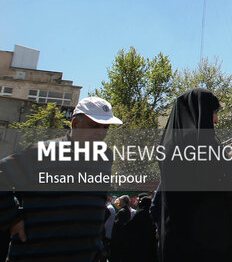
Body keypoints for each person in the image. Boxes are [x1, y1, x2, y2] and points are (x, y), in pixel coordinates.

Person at [0, 96, 122, 262]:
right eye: (93, 125)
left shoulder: (105, 156)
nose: (100, 132)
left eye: (105, 127)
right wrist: (12, 219)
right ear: (75, 123)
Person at [157, 88, 232, 262]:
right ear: (201, 112)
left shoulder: (170, 144)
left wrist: (227, 159)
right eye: (214, 113)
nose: (216, 120)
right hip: (204, 243)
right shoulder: (196, 142)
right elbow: (224, 183)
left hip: (178, 239)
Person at [122, 196, 158, 262]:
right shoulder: (150, 214)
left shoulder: (140, 213)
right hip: (148, 245)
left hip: (138, 244)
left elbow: (129, 226)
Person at [111, 195, 132, 262]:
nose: (118, 202)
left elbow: (118, 224)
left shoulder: (122, 211)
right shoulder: (127, 210)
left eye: (120, 200)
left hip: (118, 239)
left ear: (123, 201)